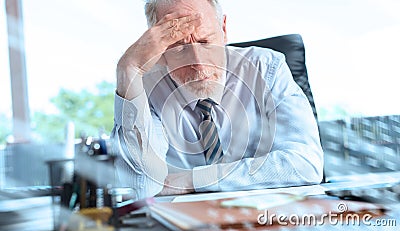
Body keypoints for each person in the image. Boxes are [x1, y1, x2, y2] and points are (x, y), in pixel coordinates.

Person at [111, 0, 323, 199]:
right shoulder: (145, 88)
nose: (198, 64)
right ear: (159, 48)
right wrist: (128, 70)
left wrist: (194, 180)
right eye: (179, 48)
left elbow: (306, 164)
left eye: (205, 42)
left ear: (223, 29)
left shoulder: (267, 68)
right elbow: (141, 187)